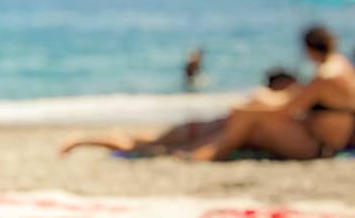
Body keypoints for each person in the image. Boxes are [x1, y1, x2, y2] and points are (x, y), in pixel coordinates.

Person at [190, 27, 355, 161]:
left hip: (319, 146)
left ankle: (210, 153)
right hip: (323, 142)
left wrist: (251, 110)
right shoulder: (340, 64)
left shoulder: (325, 76)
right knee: (251, 119)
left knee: (246, 116)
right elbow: (303, 100)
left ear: (309, 50)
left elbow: (288, 110)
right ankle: (200, 148)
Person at [61, 70, 299, 157]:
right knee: (144, 145)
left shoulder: (263, 102)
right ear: (280, 83)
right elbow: (220, 140)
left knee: (145, 142)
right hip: (196, 132)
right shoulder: (266, 100)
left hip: (196, 128)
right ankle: (85, 139)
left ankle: (87, 139)